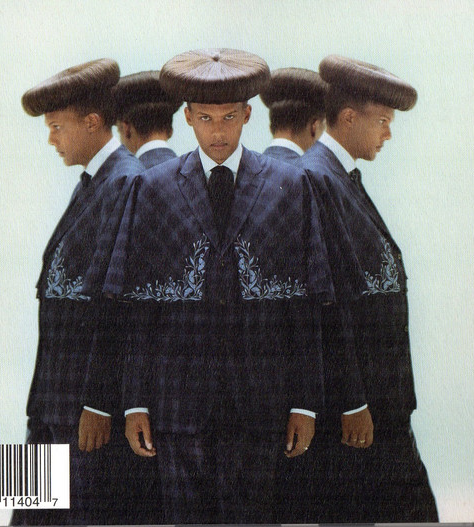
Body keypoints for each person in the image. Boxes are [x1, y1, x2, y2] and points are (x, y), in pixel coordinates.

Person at [102, 48, 334, 524]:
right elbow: (138, 306)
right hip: (176, 403)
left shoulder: (291, 186)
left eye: (229, 117)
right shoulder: (153, 188)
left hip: (262, 402)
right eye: (206, 118)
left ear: (248, 114)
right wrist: (135, 401)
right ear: (187, 117)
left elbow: (307, 303)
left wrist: (306, 404)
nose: (218, 132)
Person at [284, 54, 438, 523]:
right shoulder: (315, 178)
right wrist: (352, 400)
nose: (387, 135)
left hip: (381, 403)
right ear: (349, 118)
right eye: (383, 122)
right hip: (356, 410)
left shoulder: (339, 176)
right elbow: (322, 301)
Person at [12, 58, 147, 525]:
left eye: (56, 127)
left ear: (92, 122)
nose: (51, 140)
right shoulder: (94, 181)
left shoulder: (126, 182)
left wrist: (98, 401)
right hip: (56, 399)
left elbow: (120, 303)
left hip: (85, 409)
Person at [113, 70, 182, 168]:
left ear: (126, 129)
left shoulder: (129, 175)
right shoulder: (195, 173)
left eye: (118, 130)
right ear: (170, 130)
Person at [260, 67, 327, 162]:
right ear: (314, 127)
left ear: (271, 127)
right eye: (323, 129)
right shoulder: (311, 170)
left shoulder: (245, 168)